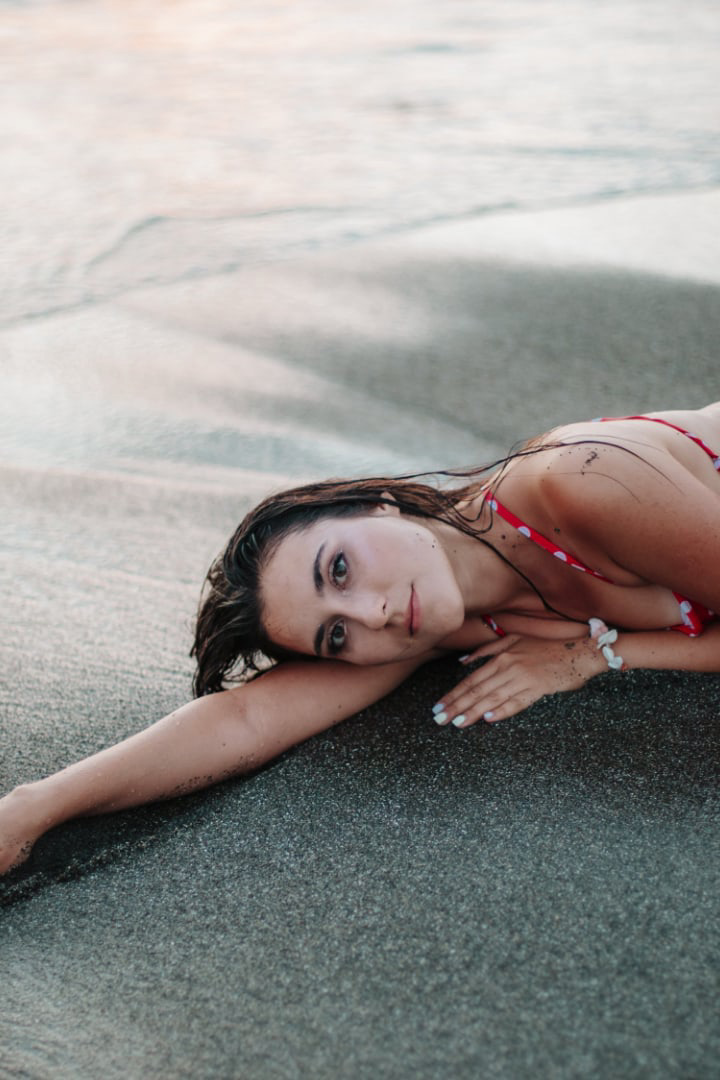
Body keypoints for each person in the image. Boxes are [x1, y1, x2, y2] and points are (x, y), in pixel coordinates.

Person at [2, 405, 720, 875]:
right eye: (335, 634)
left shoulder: (581, 484)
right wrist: (35, 808)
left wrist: (593, 656)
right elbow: (246, 718)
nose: (372, 613)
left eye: (338, 568)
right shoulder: (426, 621)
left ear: (379, 504)